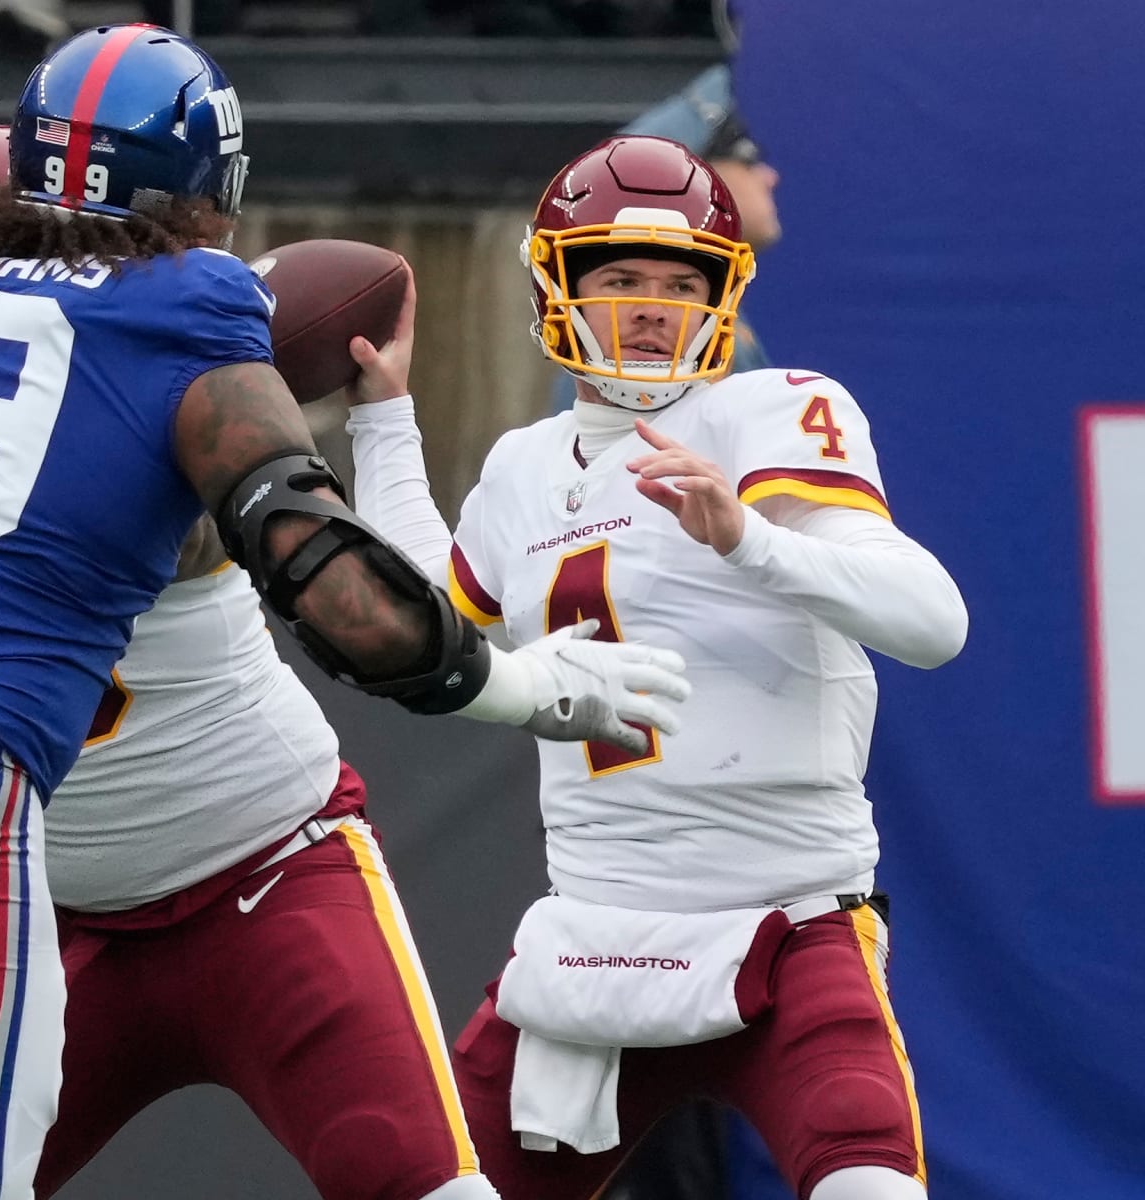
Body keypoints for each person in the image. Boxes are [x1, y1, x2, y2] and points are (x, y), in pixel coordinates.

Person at [0, 33, 688, 1199]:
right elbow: (347, 592)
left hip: (254, 867)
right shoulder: (194, 319)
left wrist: (388, 425)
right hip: (42, 888)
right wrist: (530, 687)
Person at [342, 134, 969, 1200]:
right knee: (436, 1182)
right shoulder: (524, 467)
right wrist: (383, 419)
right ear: (560, 289)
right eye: (621, 278)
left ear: (722, 298)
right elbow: (428, 611)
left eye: (682, 283)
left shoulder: (764, 414)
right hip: (597, 933)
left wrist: (750, 541)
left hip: (788, 919)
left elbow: (932, 622)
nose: (650, 305)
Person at [551, 63, 780, 415]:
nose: (769, 176)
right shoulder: (616, 340)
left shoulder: (719, 319)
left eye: (682, 287)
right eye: (747, 156)